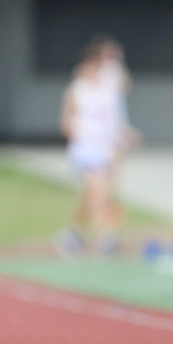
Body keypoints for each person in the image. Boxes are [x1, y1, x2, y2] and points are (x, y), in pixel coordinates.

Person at [56, 37, 126, 258]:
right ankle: (105, 237)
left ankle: (71, 233)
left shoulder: (107, 91)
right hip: (85, 148)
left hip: (105, 148)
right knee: (97, 189)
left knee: (95, 194)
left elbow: (114, 118)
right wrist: (81, 133)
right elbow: (66, 123)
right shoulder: (77, 90)